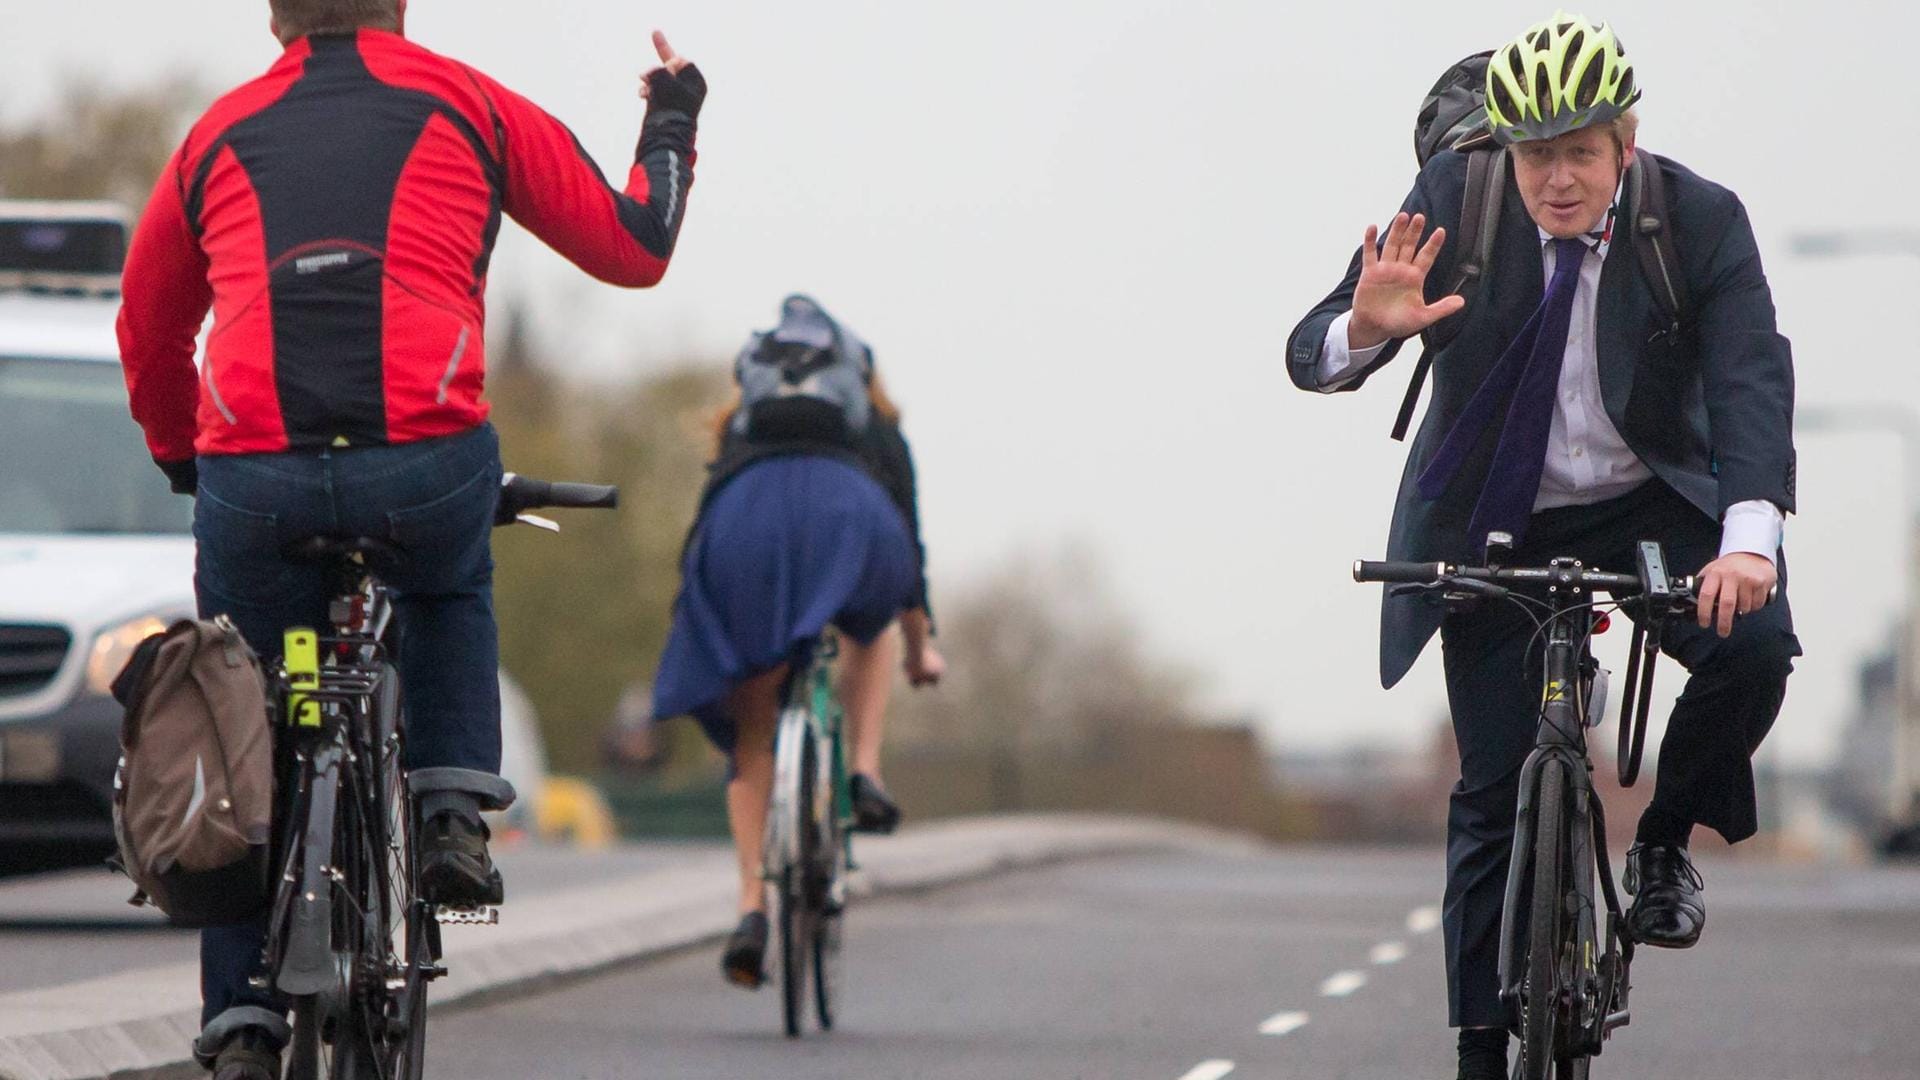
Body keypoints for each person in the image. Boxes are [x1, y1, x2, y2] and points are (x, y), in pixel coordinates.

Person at [113, 2, 706, 1076]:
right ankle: (448, 813)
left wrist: (181, 456)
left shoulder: (215, 134)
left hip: (256, 475)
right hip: (423, 460)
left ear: (275, 17)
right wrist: (673, 114)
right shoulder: (469, 102)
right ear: (400, 6)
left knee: (246, 710)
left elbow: (149, 323)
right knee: (443, 584)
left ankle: (240, 1016)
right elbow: (634, 247)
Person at [1285, 12, 1799, 1078]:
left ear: (1625, 140)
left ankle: (1659, 847)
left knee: (1753, 653)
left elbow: (1749, 376)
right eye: (1535, 155)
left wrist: (1748, 542)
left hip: (1649, 500)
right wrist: (1368, 330)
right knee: (1488, 791)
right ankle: (1480, 1043)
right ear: (1502, 148)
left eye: (1580, 153)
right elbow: (1312, 350)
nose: (1556, 180)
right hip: (1493, 504)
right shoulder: (1454, 201)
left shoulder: (1696, 221)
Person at [652, 294, 944, 988]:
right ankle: (864, 771)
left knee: (755, 729)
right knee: (867, 623)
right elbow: (909, 546)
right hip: (849, 513)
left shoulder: (744, 420)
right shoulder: (872, 423)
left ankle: (752, 907)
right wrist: (918, 646)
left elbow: (707, 514)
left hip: (743, 525)